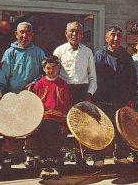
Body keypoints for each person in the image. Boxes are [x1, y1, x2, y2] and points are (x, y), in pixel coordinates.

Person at [0, 22, 45, 170]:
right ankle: (7, 158)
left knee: (32, 129)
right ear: (16, 34)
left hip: (32, 98)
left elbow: (45, 74)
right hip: (13, 98)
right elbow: (2, 75)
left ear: (32, 35)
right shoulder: (10, 52)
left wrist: (35, 83)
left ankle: (31, 157)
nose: (24, 36)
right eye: (21, 32)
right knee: (9, 129)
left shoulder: (39, 53)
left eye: (28, 33)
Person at [53, 21, 97, 167]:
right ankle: (59, 158)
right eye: (71, 31)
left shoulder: (88, 52)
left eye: (78, 32)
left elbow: (93, 78)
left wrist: (89, 93)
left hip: (82, 92)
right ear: (66, 34)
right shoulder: (58, 51)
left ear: (82, 35)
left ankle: (80, 158)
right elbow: (53, 74)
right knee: (62, 125)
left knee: (81, 126)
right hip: (64, 92)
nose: (74, 34)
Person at [93, 26, 138, 166]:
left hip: (121, 101)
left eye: (119, 35)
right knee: (101, 130)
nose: (116, 38)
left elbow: (133, 79)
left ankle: (120, 156)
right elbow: (93, 78)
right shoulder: (99, 55)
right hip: (103, 101)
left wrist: (131, 99)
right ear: (106, 38)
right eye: (113, 35)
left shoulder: (126, 57)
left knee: (121, 130)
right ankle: (98, 158)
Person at [24, 55, 72, 179]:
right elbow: (34, 105)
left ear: (59, 68)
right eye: (48, 68)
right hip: (43, 120)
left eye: (54, 68)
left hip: (58, 121)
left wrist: (64, 123)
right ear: (44, 69)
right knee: (42, 141)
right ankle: (45, 167)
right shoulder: (39, 84)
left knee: (56, 141)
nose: (51, 70)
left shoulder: (63, 84)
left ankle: (55, 167)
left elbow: (66, 104)